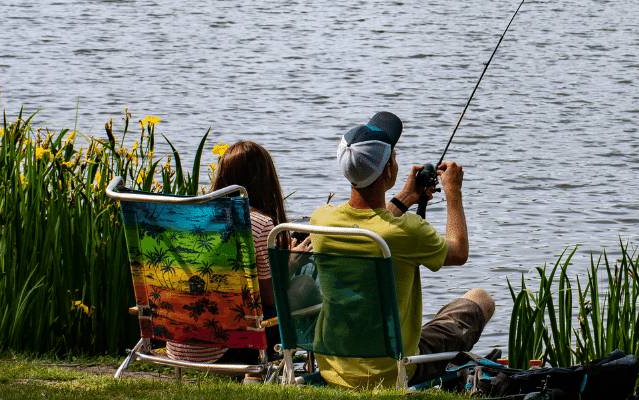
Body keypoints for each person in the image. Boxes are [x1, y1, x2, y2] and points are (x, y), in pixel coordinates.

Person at [309, 111, 495, 388]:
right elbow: (458, 251)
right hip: (391, 369)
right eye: (393, 155)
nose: (397, 160)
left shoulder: (322, 220)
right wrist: (453, 192)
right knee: (480, 299)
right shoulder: (406, 231)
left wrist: (406, 197)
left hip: (334, 365)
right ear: (387, 171)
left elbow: (373, 226)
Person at [165, 141, 286, 373]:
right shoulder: (259, 224)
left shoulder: (192, 221)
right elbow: (271, 298)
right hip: (228, 350)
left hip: (178, 344)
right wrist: (289, 264)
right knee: (292, 305)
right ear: (266, 180)